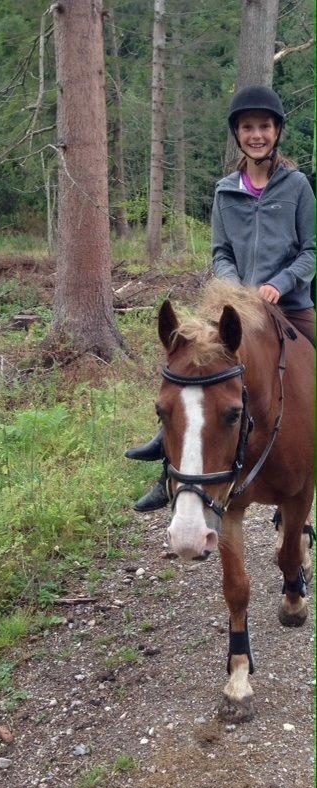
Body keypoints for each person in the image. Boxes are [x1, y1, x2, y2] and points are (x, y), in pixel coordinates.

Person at [127, 85, 315, 511]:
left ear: (277, 131)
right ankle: (167, 464)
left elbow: (311, 250)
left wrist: (280, 284)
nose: (256, 134)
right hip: (237, 309)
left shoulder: (298, 186)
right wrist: (236, 289)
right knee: (191, 366)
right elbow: (220, 253)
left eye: (264, 126)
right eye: (248, 127)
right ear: (237, 134)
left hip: (290, 305)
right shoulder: (224, 191)